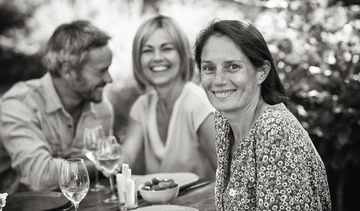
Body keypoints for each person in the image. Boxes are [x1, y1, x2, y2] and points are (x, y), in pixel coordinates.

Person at [194, 20, 332, 210]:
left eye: (232, 67)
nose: (218, 80)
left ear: (262, 72)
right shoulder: (224, 120)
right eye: (209, 68)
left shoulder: (276, 131)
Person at [0, 20, 114, 194]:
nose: (109, 79)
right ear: (68, 71)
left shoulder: (102, 109)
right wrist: (100, 164)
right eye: (101, 71)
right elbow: (40, 178)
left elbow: (103, 177)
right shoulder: (19, 105)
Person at [120, 15, 217, 181]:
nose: (157, 57)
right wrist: (106, 160)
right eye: (147, 50)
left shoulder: (198, 104)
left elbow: (228, 172)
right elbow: (126, 157)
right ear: (138, 59)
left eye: (166, 49)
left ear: (182, 54)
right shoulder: (142, 105)